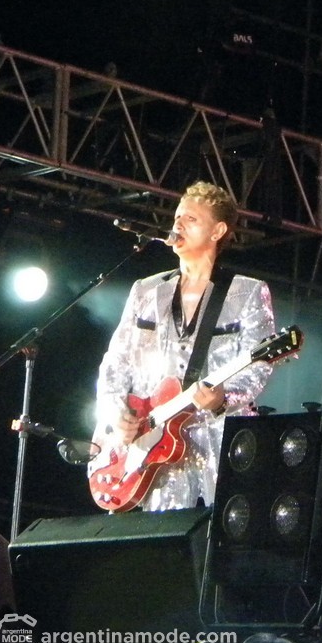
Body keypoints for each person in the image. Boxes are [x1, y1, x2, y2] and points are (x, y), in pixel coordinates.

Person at [90, 180, 276, 510]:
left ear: (218, 230)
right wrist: (116, 412)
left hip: (216, 442)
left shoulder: (247, 292)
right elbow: (116, 361)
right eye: (177, 217)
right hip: (151, 446)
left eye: (191, 219)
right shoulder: (146, 290)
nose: (178, 225)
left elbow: (259, 365)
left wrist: (223, 398)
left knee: (217, 529)